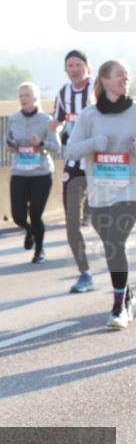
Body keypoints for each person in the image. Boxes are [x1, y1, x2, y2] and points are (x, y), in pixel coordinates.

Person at [63, 60, 136, 330]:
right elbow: (70, 151)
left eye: (127, 75)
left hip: (130, 190)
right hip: (100, 192)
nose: (125, 78)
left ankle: (118, 307)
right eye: (120, 74)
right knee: (110, 247)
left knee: (116, 241)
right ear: (105, 80)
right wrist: (94, 144)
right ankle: (126, 293)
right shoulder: (90, 116)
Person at [52, 50, 96, 292]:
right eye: (70, 65)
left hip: (102, 164)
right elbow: (57, 121)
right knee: (71, 222)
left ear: (88, 67)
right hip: (74, 163)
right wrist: (54, 128)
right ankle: (85, 273)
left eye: (79, 64)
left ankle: (120, 279)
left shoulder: (99, 89)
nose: (74, 69)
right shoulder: (63, 93)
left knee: (110, 223)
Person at [7, 81, 59, 264]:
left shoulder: (46, 121)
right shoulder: (13, 118)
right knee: (18, 216)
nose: (23, 99)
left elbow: (56, 146)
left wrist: (41, 144)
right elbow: (9, 139)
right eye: (21, 96)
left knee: (36, 214)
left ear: (36, 98)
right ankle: (28, 229)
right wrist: (11, 146)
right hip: (19, 173)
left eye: (27, 95)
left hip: (41, 174)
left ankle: (39, 250)